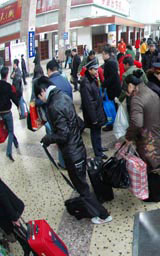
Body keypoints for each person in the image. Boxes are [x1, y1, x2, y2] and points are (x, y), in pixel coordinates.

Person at [35, 76, 113, 224]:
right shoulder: (63, 96)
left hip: (72, 153)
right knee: (82, 183)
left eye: (40, 96)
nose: (41, 99)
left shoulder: (53, 106)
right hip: (79, 148)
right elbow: (77, 122)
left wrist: (47, 139)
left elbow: (63, 135)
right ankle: (95, 208)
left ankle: (103, 215)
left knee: (81, 187)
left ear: (43, 91)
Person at [124, 70, 160, 202]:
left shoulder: (137, 99)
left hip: (146, 139)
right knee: (156, 163)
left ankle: (154, 196)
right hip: (156, 134)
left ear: (131, 86)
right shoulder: (151, 92)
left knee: (149, 166)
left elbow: (136, 123)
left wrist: (129, 137)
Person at [80, 60, 108, 160]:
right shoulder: (85, 83)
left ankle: (99, 147)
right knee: (95, 133)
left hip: (97, 110)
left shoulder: (93, 79)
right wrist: (94, 118)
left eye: (97, 69)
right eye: (95, 69)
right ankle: (98, 153)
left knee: (98, 132)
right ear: (89, 70)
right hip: (93, 114)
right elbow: (88, 103)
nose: (97, 71)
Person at [0, 178, 29, 254]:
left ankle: (30, 248)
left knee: (19, 232)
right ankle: (27, 247)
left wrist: (13, 217)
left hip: (6, 214)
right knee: (18, 232)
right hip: (6, 212)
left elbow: (2, 196)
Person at [0, 67, 19, 161]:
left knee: (9, 128)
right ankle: (9, 152)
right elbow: (13, 97)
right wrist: (19, 106)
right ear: (7, 75)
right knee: (10, 131)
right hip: (7, 112)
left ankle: (16, 142)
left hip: (0, 114)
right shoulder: (8, 86)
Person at [102, 45, 121, 132]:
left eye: (103, 54)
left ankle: (113, 123)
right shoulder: (110, 61)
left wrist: (103, 84)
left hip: (113, 89)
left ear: (107, 54)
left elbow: (111, 78)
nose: (102, 56)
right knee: (113, 106)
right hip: (113, 88)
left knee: (112, 107)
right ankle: (114, 122)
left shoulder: (110, 63)